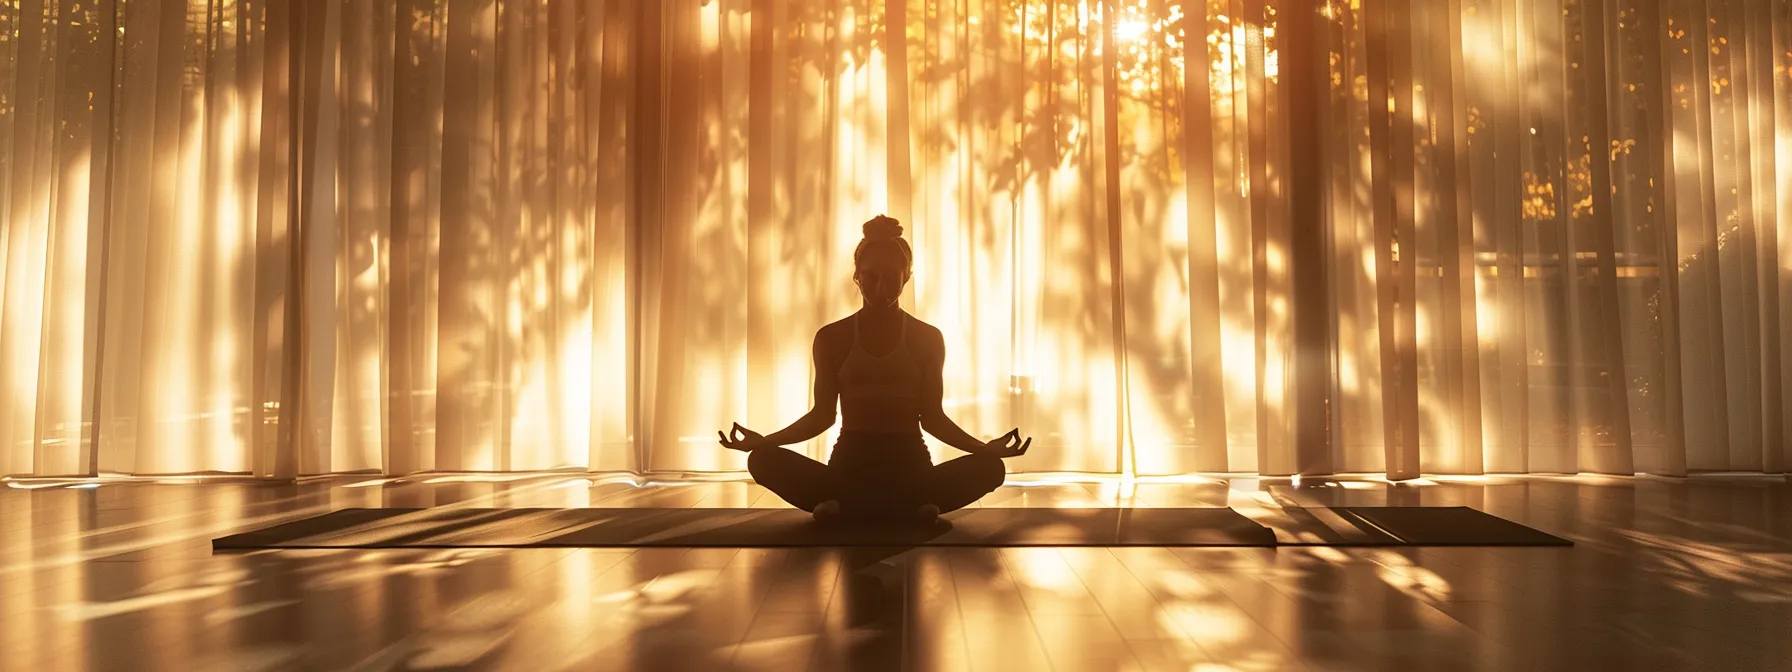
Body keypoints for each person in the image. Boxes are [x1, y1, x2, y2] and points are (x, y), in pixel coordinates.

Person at [717, 215, 1031, 526]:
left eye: (891, 277)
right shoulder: (832, 337)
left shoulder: (927, 338)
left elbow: (932, 416)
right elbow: (822, 416)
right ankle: (906, 508)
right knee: (760, 459)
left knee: (992, 467)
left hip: (910, 469)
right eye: (870, 277)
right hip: (849, 470)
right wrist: (765, 443)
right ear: (857, 276)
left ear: (907, 276)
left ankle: (854, 508)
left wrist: (983, 449)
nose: (880, 288)